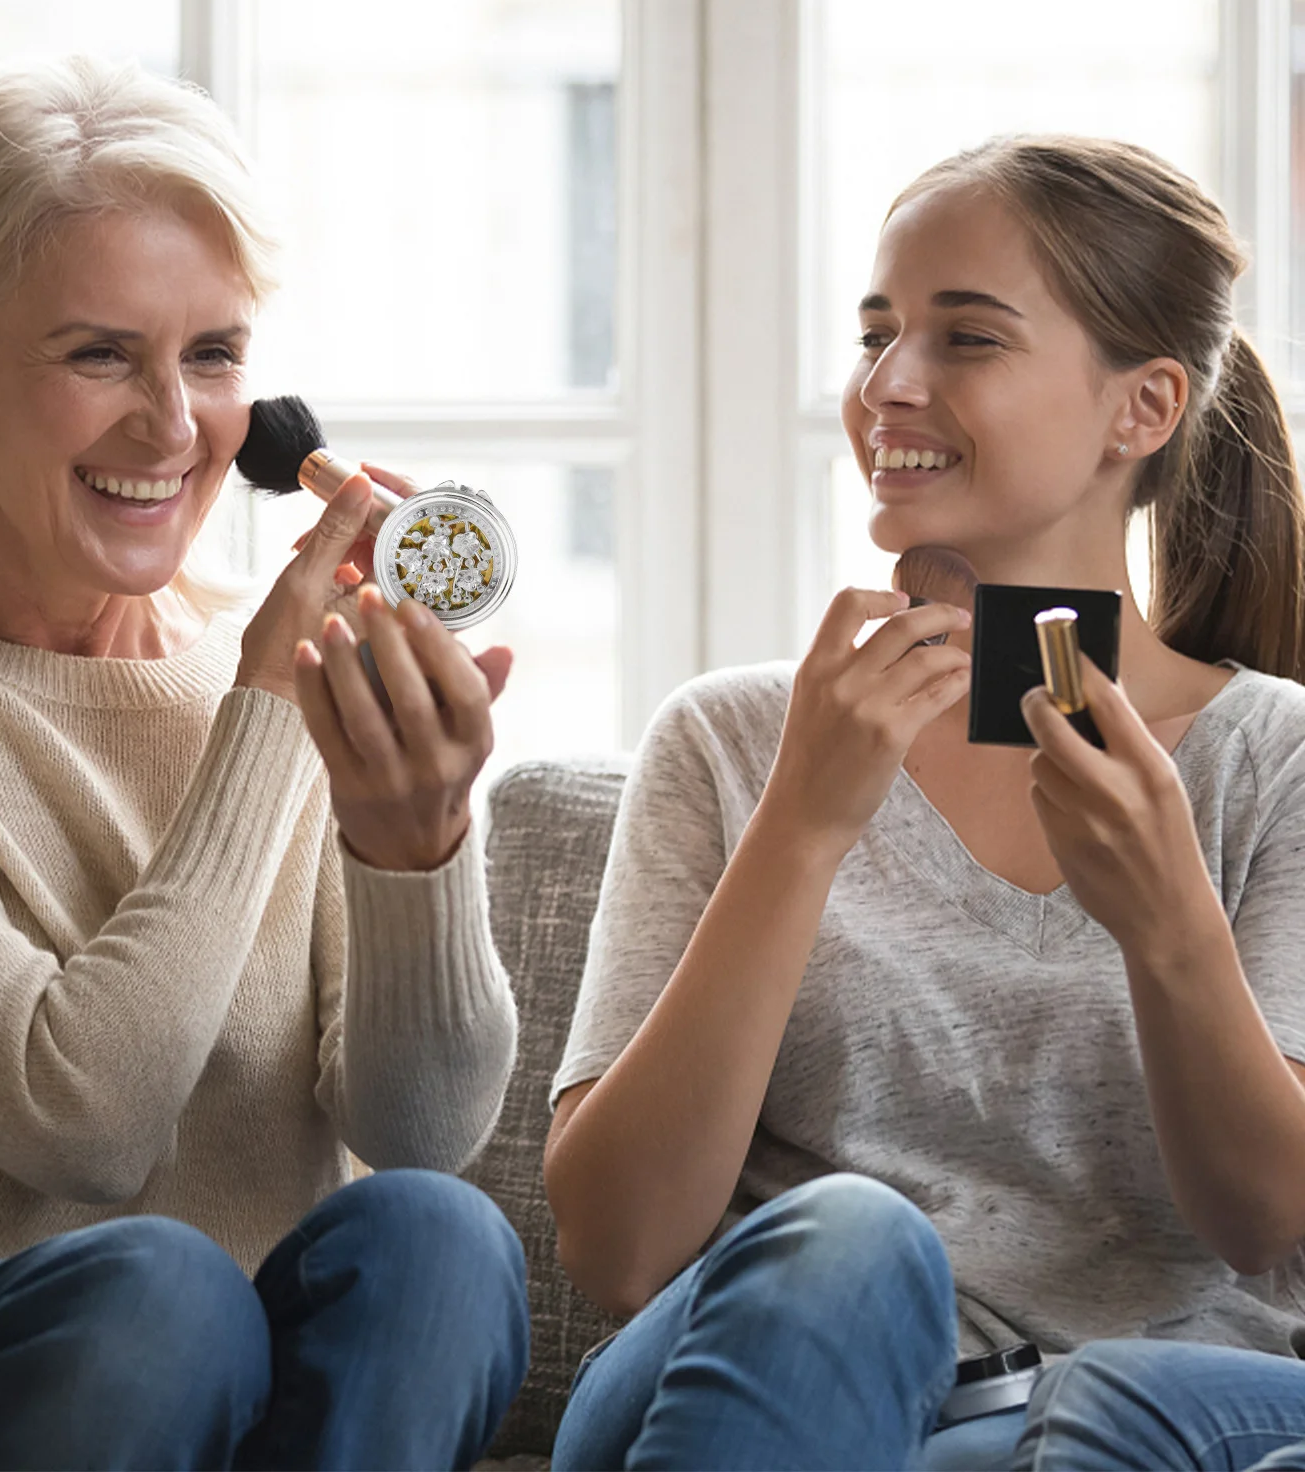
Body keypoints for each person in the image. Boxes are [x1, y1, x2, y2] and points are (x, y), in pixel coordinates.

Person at [0, 55, 529, 1470]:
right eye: (100, 355)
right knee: (159, 1295)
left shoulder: (269, 665)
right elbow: (78, 1113)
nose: (174, 428)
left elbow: (422, 1127)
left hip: (212, 1378)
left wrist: (419, 848)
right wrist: (265, 711)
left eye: (213, 357)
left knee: (439, 1237)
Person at [543, 134, 1305, 1471]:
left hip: (1095, 1425)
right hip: (754, 1380)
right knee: (854, 1236)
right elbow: (620, 1247)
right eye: (876, 335)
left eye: (966, 340)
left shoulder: (1276, 763)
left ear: (1143, 408)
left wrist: (1173, 928)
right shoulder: (732, 739)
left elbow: (1266, 1226)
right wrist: (803, 825)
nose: (886, 387)